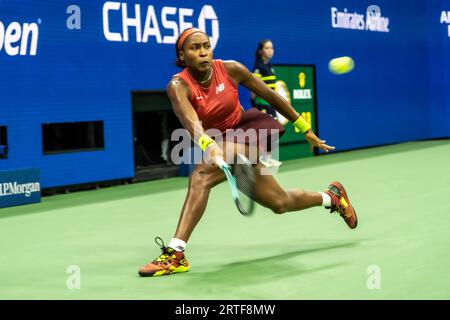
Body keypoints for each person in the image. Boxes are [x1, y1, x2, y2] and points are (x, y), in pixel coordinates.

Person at [138, 28, 358, 277]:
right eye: (195, 48)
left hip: (248, 133)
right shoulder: (178, 85)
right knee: (280, 202)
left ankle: (176, 253)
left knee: (201, 175)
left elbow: (270, 96)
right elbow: (190, 121)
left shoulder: (231, 69)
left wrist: (304, 127)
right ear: (182, 54)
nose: (202, 52)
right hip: (218, 143)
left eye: (206, 46)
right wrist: (208, 144)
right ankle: (332, 196)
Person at [251, 39, 277, 118]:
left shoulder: (270, 66)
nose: (270, 50)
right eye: (267, 48)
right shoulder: (258, 67)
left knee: (275, 129)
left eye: (271, 48)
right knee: (265, 130)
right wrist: (255, 104)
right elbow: (253, 89)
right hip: (262, 104)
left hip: (271, 104)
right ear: (261, 51)